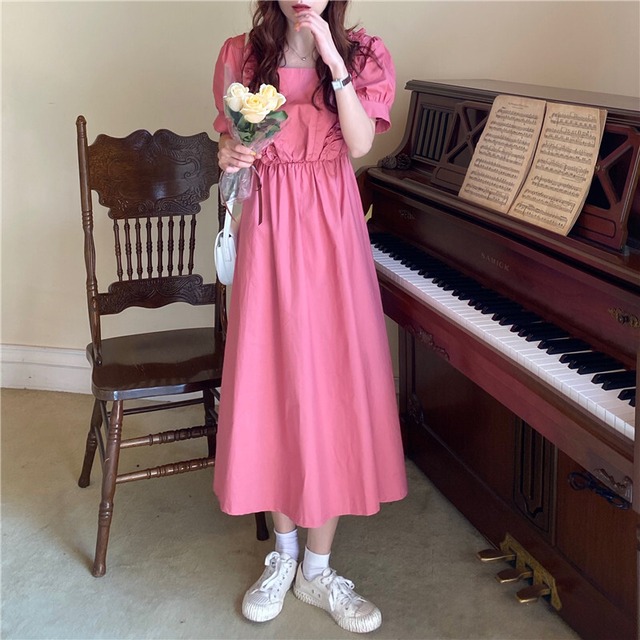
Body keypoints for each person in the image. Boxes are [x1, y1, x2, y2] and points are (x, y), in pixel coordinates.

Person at [212, 0, 407, 633]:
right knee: (271, 382)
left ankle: (317, 572)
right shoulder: (241, 54)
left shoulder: (362, 52)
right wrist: (228, 153)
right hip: (268, 230)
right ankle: (284, 556)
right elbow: (230, 141)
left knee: (331, 386)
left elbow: (360, 142)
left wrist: (330, 56)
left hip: (331, 231)